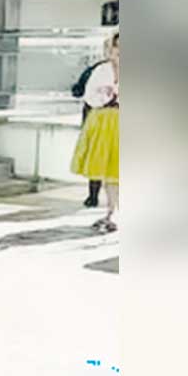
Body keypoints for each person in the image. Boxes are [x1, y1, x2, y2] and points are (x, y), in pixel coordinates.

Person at [70, 32, 120, 232]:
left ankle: (116, 211)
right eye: (117, 47)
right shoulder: (101, 70)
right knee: (110, 170)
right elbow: (89, 96)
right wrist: (105, 95)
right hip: (105, 121)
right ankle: (112, 210)